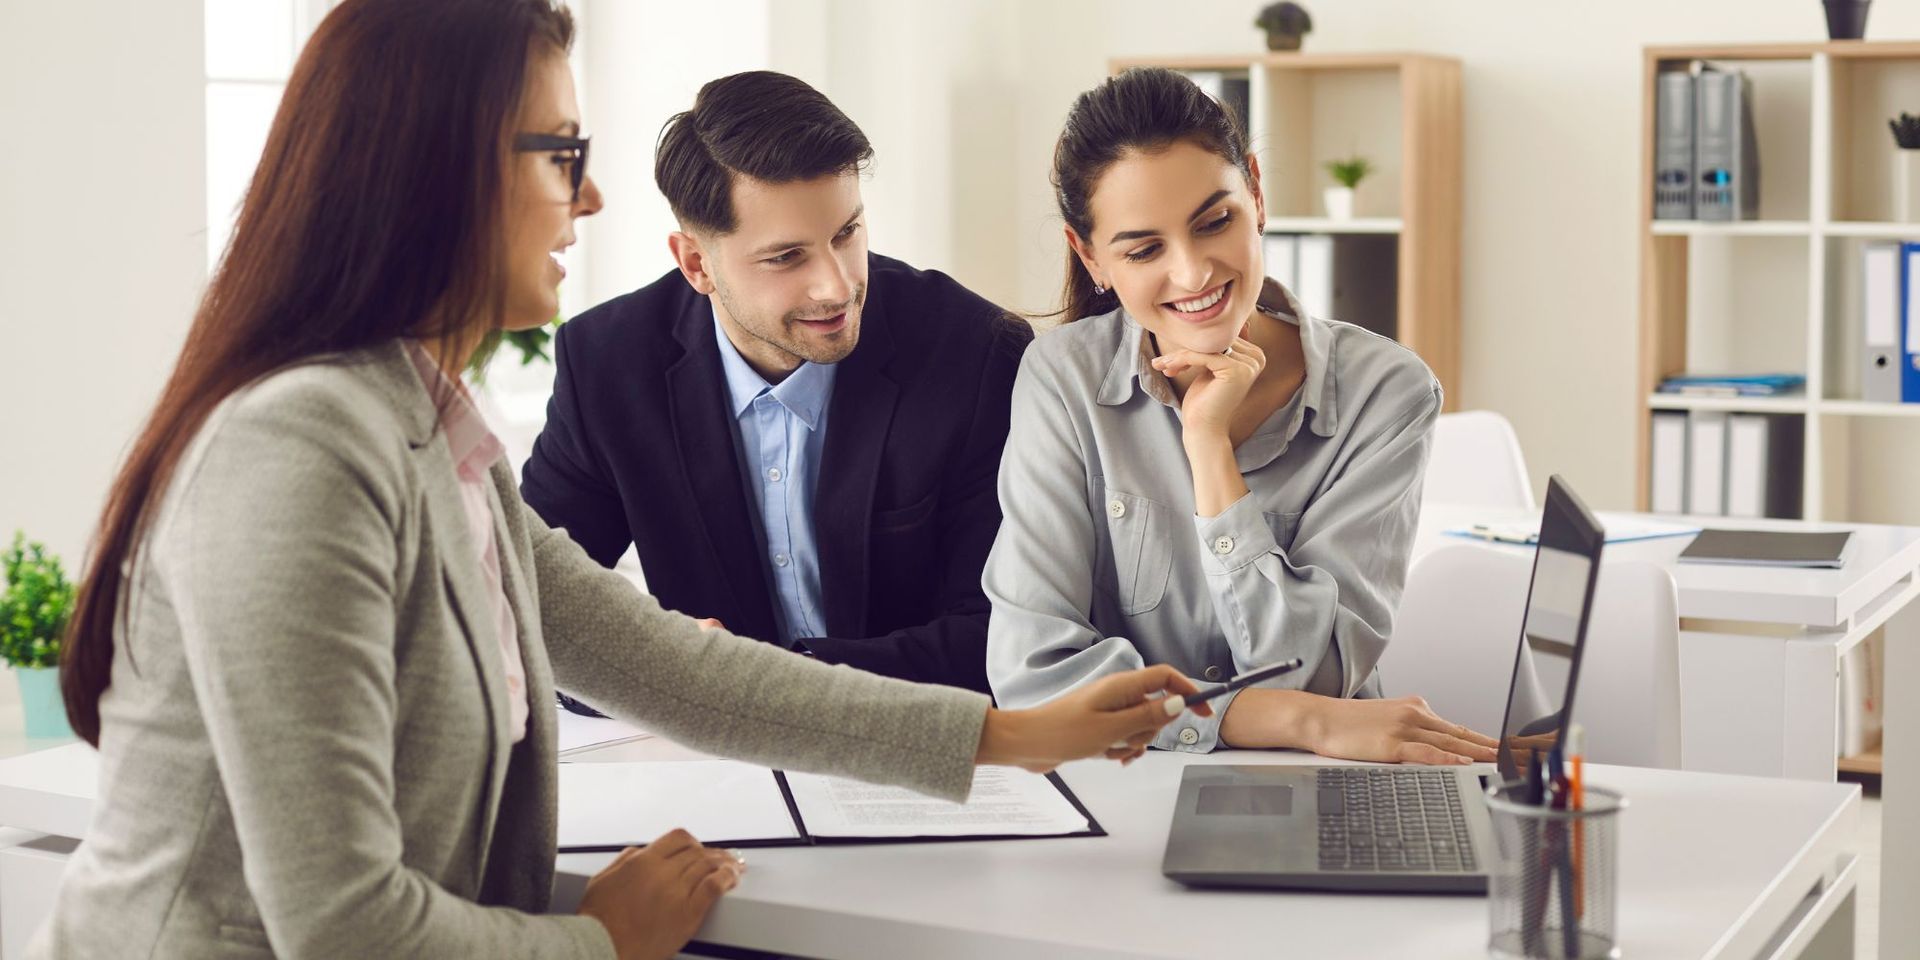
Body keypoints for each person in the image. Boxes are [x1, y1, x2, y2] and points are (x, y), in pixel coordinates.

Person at [37, 9, 1203, 958]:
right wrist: (598, 939)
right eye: (562, 155)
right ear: (433, 175)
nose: (589, 200)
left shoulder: (427, 426)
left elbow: (667, 667)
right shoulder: (299, 447)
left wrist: (1006, 737)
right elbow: (344, 930)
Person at [985, 67, 1497, 765]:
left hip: (1323, 783)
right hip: (1126, 790)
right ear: (1091, 257)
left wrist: (1208, 450)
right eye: (1143, 249)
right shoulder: (1061, 380)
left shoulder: (1387, 391)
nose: (1194, 274)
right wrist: (1293, 719)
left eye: (1214, 222)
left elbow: (1316, 675)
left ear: (1255, 191)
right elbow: (1034, 680)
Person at [521, 71, 1027, 695]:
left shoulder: (973, 350)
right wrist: (655, 663)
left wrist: (755, 682)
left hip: (922, 751)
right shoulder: (607, 366)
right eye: (787, 257)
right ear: (696, 263)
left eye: (847, 233)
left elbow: (1003, 636)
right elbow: (524, 610)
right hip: (714, 768)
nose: (838, 285)